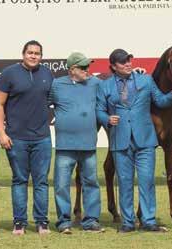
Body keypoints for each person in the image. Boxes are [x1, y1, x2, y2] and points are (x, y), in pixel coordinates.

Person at [96, 48, 172, 233]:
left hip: (145, 140)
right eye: (123, 62)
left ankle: (148, 220)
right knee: (124, 182)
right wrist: (107, 119)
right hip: (120, 141)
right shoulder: (104, 86)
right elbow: (98, 110)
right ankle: (128, 222)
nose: (128, 64)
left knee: (147, 181)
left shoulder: (146, 80)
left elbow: (161, 101)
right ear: (114, 66)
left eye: (129, 60)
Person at [0, 40, 53, 235]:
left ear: (41, 56)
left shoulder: (47, 74)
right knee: (19, 180)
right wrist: (2, 133)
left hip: (42, 138)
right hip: (16, 138)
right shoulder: (9, 74)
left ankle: (42, 222)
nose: (33, 56)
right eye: (30, 52)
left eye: (37, 53)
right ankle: (19, 223)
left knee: (41, 181)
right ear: (23, 54)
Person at [50, 52, 103, 234]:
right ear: (72, 69)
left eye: (88, 67)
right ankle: (64, 222)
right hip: (65, 145)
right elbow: (42, 104)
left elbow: (109, 99)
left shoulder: (96, 83)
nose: (88, 70)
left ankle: (91, 221)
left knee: (91, 183)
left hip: (89, 144)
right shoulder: (56, 85)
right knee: (62, 185)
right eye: (84, 67)